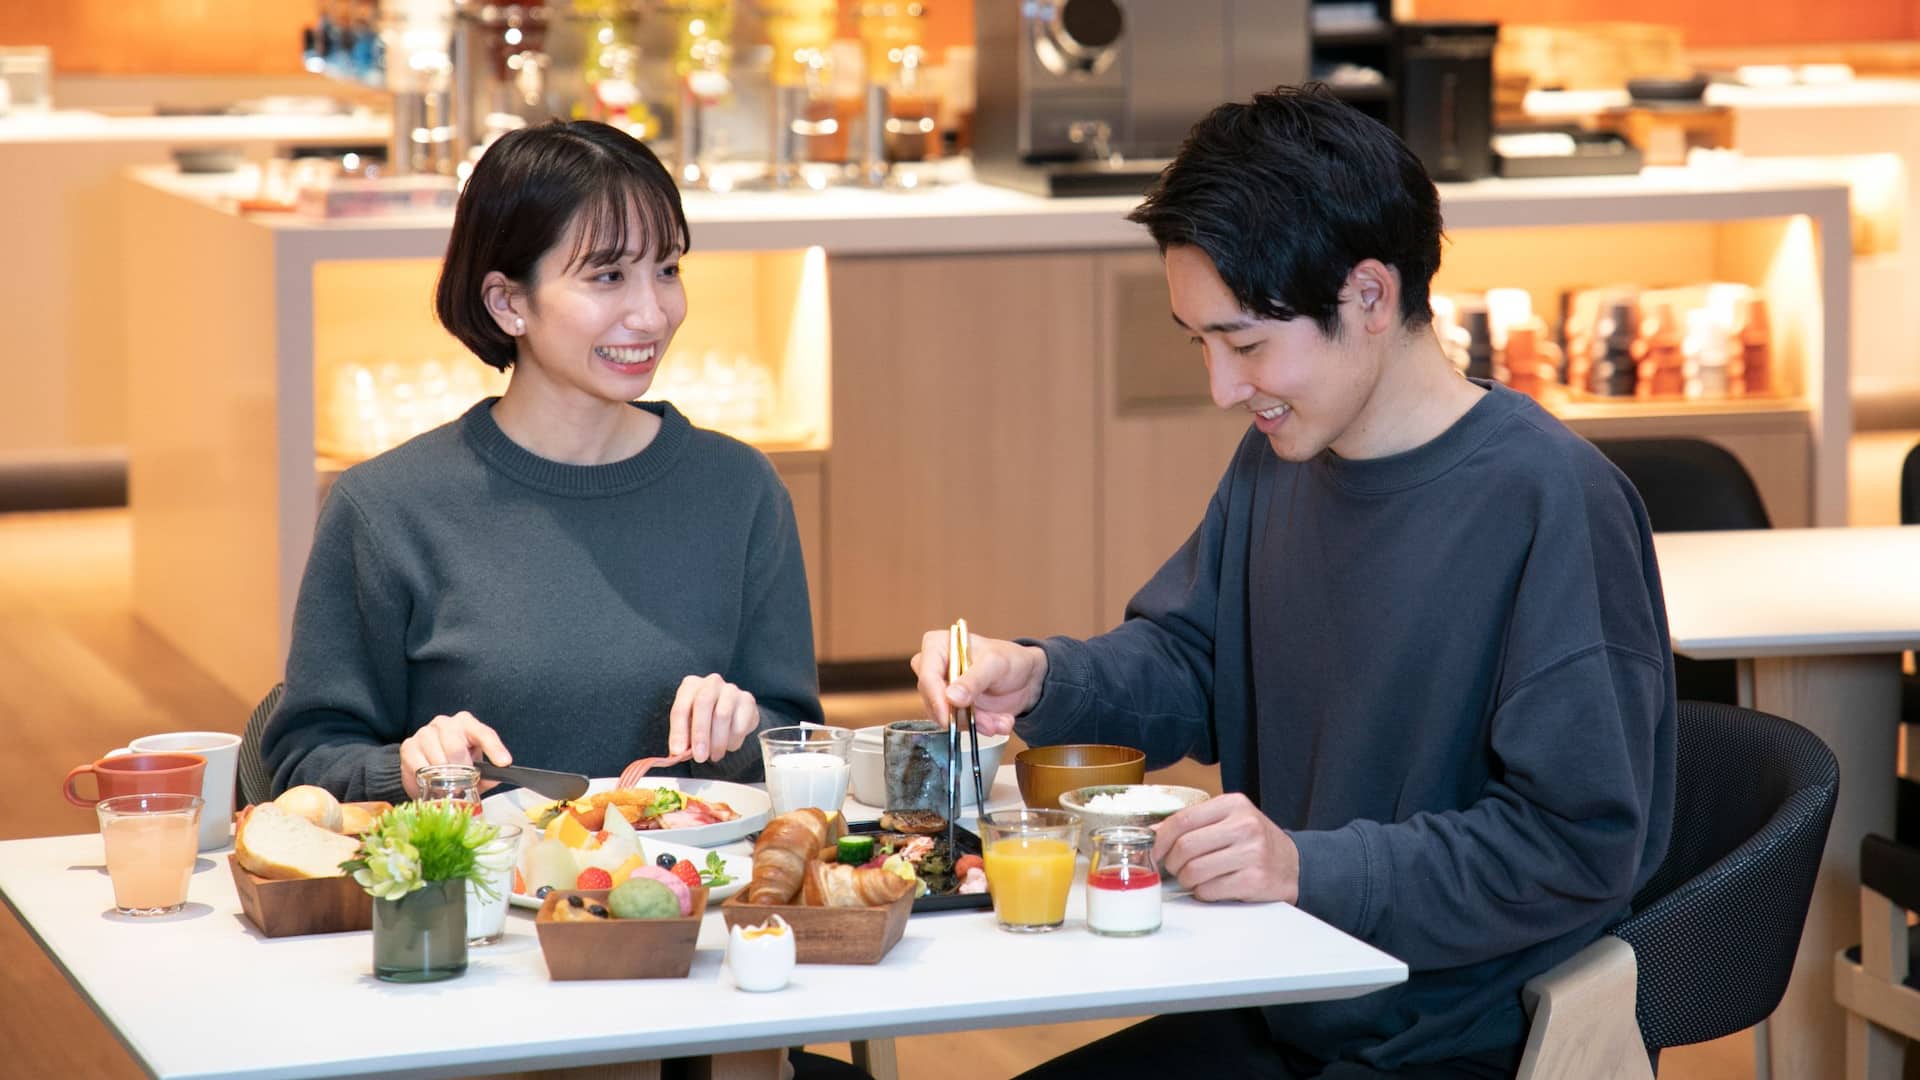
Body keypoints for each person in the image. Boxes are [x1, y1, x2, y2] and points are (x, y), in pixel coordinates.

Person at [913, 86, 1676, 1078]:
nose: (1223, 388)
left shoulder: (1552, 503)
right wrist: (1043, 679)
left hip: (1451, 1042)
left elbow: (1577, 846)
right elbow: (1197, 662)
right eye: (1202, 344)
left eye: (1245, 344)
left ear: (1370, 296)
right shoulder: (1280, 461)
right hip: (1291, 993)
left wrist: (1309, 867)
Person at [264, 120, 825, 803]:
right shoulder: (385, 507)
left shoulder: (740, 489)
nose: (653, 314)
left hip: (698, 870)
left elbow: (797, 738)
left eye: (668, 269)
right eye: (608, 276)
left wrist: (743, 729)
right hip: (472, 872)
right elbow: (304, 763)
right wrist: (407, 771)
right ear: (508, 302)